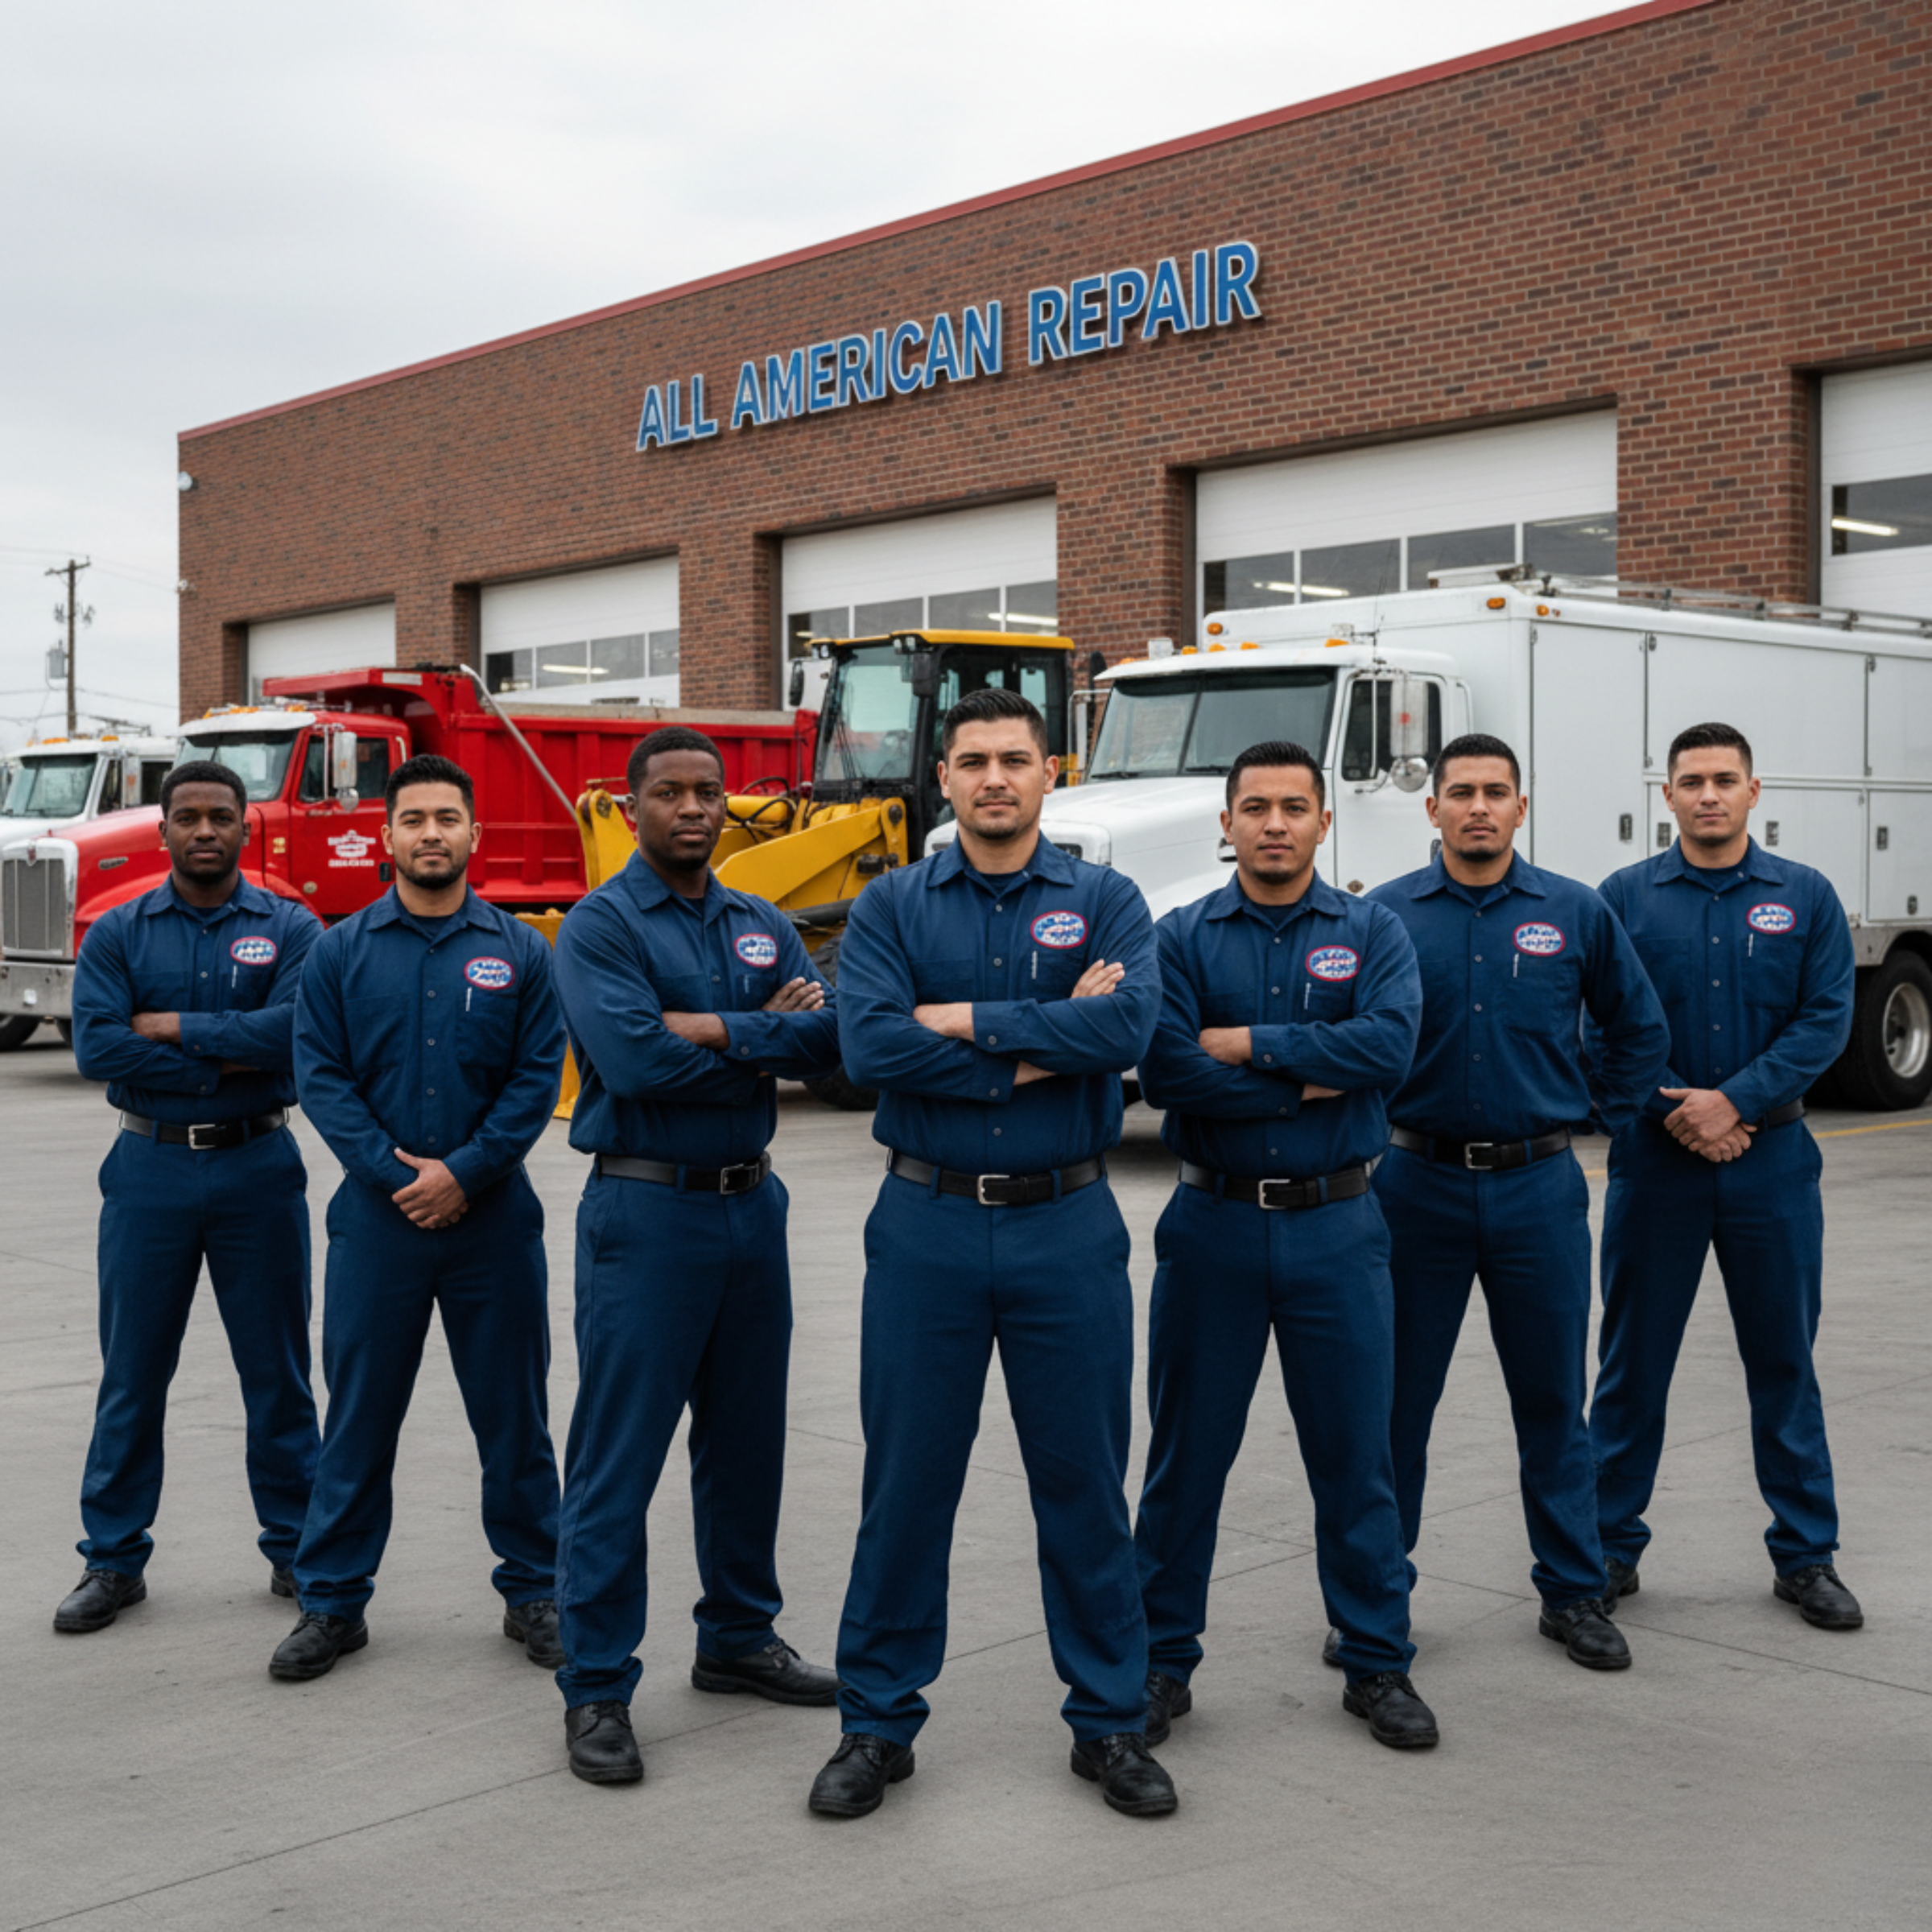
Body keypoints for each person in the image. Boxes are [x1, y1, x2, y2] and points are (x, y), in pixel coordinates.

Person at [808, 686, 1174, 1823]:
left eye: (1015, 759)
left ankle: (1110, 1722)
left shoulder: (1109, 901)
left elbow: (1126, 1032)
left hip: (1067, 1223)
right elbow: (867, 1047)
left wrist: (955, 1022)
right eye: (973, 762)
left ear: (1049, 771)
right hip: (924, 1226)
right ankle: (876, 1723)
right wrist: (1039, 1041)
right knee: (907, 1483)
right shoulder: (892, 909)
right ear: (947, 779)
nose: (995, 779)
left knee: (1081, 1483)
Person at [549, 726, 844, 1786]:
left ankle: (737, 1637)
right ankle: (594, 1686)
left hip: (749, 1212)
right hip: (647, 1214)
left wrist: (709, 1031)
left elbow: (835, 1041)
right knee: (619, 1456)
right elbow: (631, 1060)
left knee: (746, 1439)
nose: (692, 809)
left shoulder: (762, 922)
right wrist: (761, 1034)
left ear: (727, 807)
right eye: (669, 792)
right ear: (634, 809)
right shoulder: (600, 927)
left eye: (708, 792)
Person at [1133, 742, 1439, 1750]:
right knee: (1187, 1460)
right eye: (1254, 806)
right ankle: (1159, 1662)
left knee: (1357, 1458)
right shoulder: (1179, 938)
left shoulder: (1374, 931)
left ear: (1323, 821)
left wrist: (1248, 1044)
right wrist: (1317, 1070)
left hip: (1338, 1225)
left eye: (1293, 807)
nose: (1274, 823)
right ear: (1225, 824)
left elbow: (1388, 1050)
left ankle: (1375, 1661)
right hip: (1212, 1226)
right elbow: (1172, 1073)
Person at [1368, 733, 1670, 1669]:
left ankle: (1573, 1592)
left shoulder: (1574, 912)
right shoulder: (1381, 919)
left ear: (1520, 807)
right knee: (1395, 1407)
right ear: (1433, 810)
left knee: (1551, 1400)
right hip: (1414, 1187)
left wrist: (1599, 1118)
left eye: (1497, 793)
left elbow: (1639, 1028)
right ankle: (1377, 1602)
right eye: (1461, 793)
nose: (1479, 809)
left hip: (1539, 1190)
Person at [272, 753, 566, 1680]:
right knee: (358, 1417)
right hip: (376, 1222)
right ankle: (332, 1603)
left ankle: (535, 1590)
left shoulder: (522, 951)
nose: (431, 833)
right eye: (414, 819)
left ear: (473, 835)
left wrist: (467, 1173)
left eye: (448, 818)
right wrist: (395, 1174)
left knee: (513, 1417)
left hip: (493, 1224)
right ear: (387, 836)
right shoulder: (338, 952)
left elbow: (534, 1079)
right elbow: (320, 1077)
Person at [1589, 723, 1861, 1629]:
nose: (1709, 794)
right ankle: (1607, 1546)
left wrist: (1735, 1102)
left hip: (1773, 1166)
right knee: (1632, 1366)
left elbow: (1825, 1020)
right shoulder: (1621, 900)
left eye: (1725, 779)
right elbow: (1594, 1025)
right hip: (1653, 1163)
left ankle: (1806, 1555)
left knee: (1783, 1361)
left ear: (1755, 792)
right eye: (1692, 780)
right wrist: (1676, 1113)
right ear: (1664, 796)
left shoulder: (1806, 897)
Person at [56, 759, 322, 1633]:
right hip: (149, 1173)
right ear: (163, 828)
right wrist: (230, 1055)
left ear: (247, 828)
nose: (204, 830)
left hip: (258, 1169)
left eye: (220, 816)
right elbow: (98, 1049)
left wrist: (172, 1029)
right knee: (133, 1373)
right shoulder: (120, 932)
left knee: (276, 1375)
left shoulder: (291, 926)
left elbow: (297, 1035)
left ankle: (298, 1550)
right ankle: (114, 1559)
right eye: (188, 817)